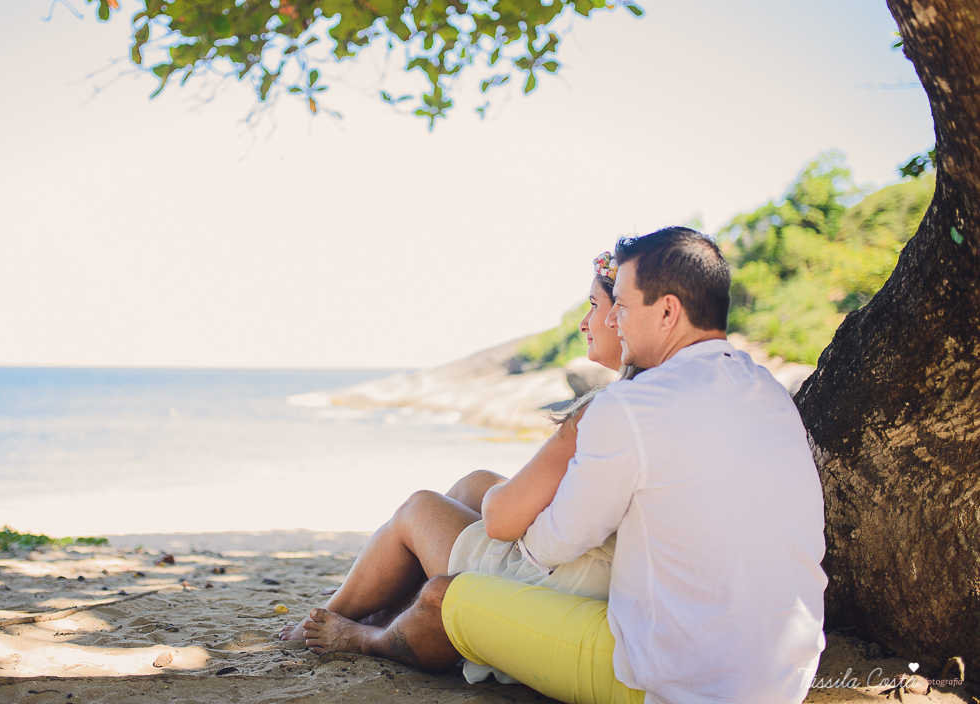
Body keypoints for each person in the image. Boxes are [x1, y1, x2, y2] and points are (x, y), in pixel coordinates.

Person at [299, 227, 827, 704]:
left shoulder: (634, 407)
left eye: (620, 304)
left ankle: (365, 637)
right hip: (785, 672)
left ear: (667, 313)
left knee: (447, 595)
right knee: (475, 498)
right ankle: (372, 608)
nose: (613, 319)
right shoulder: (769, 392)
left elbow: (546, 546)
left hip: (675, 682)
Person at [278, 251, 635, 659]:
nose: (586, 322)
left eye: (595, 305)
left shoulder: (605, 409)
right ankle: (382, 597)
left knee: (419, 508)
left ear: (621, 316)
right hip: (595, 564)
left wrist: (515, 511)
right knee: (475, 483)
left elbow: (506, 522)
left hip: (565, 580)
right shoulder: (651, 396)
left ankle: (335, 612)